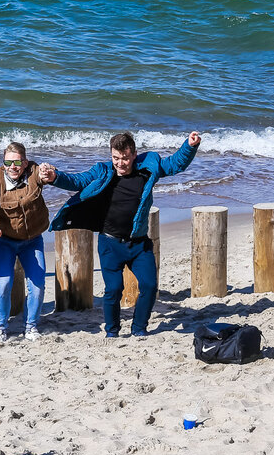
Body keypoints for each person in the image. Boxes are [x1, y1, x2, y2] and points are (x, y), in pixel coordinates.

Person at [40, 131, 201, 337]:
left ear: (134, 155)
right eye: (116, 158)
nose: (120, 163)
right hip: (110, 244)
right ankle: (112, 331)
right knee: (114, 290)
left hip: (139, 244)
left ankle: (139, 329)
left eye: (125, 158)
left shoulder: (148, 168)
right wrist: (55, 177)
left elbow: (175, 164)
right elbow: (78, 181)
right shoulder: (103, 172)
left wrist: (189, 145)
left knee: (150, 286)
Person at [0, 142, 49, 343]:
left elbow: (47, 176)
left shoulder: (34, 172)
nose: (13, 166)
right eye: (8, 162)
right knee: (3, 283)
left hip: (32, 239)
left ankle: (31, 326)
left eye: (17, 162)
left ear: (25, 162)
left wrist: (49, 172)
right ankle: (0, 328)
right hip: (4, 240)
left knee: (37, 284)